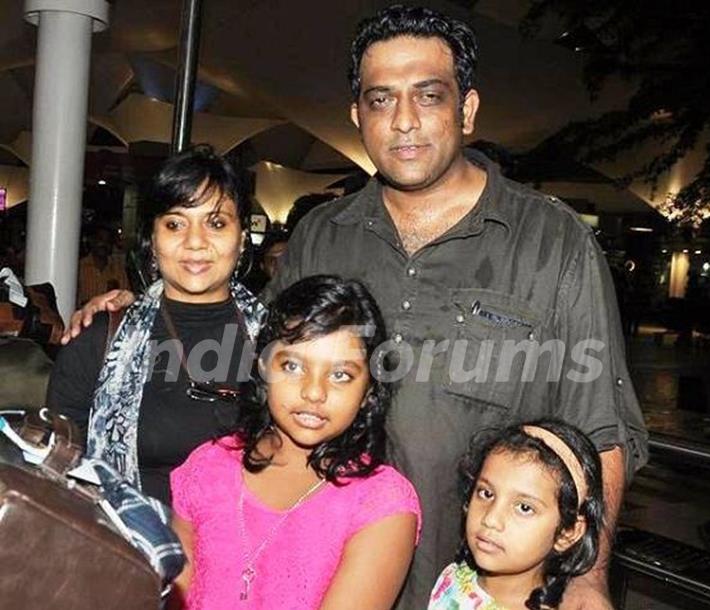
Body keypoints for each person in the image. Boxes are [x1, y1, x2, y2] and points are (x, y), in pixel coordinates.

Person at [63, 6, 648, 608]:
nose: (403, 122)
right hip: (315, 581)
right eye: (380, 100)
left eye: (427, 96)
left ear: (466, 110)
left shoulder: (551, 243)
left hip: (472, 591)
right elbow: (260, 354)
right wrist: (151, 308)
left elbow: (598, 429)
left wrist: (587, 580)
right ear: (356, 116)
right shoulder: (321, 235)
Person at [169, 275, 421, 609]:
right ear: (263, 367)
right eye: (292, 366)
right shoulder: (206, 468)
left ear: (368, 392)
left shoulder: (382, 504)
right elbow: (173, 596)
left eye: (340, 375)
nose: (314, 392)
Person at [47, 145, 264, 504]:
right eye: (175, 224)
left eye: (216, 223)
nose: (195, 242)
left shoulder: (282, 342)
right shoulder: (100, 341)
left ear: (242, 239)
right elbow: (58, 473)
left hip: (252, 553)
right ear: (153, 240)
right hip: (130, 550)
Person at [428, 420, 604, 610]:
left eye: (524, 508)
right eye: (486, 493)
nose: (491, 519)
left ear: (567, 533)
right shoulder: (453, 577)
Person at [77, 224, 130, 305]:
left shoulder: (118, 270)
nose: (104, 244)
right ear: (92, 241)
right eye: (100, 239)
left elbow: (126, 298)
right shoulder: (80, 268)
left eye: (108, 241)